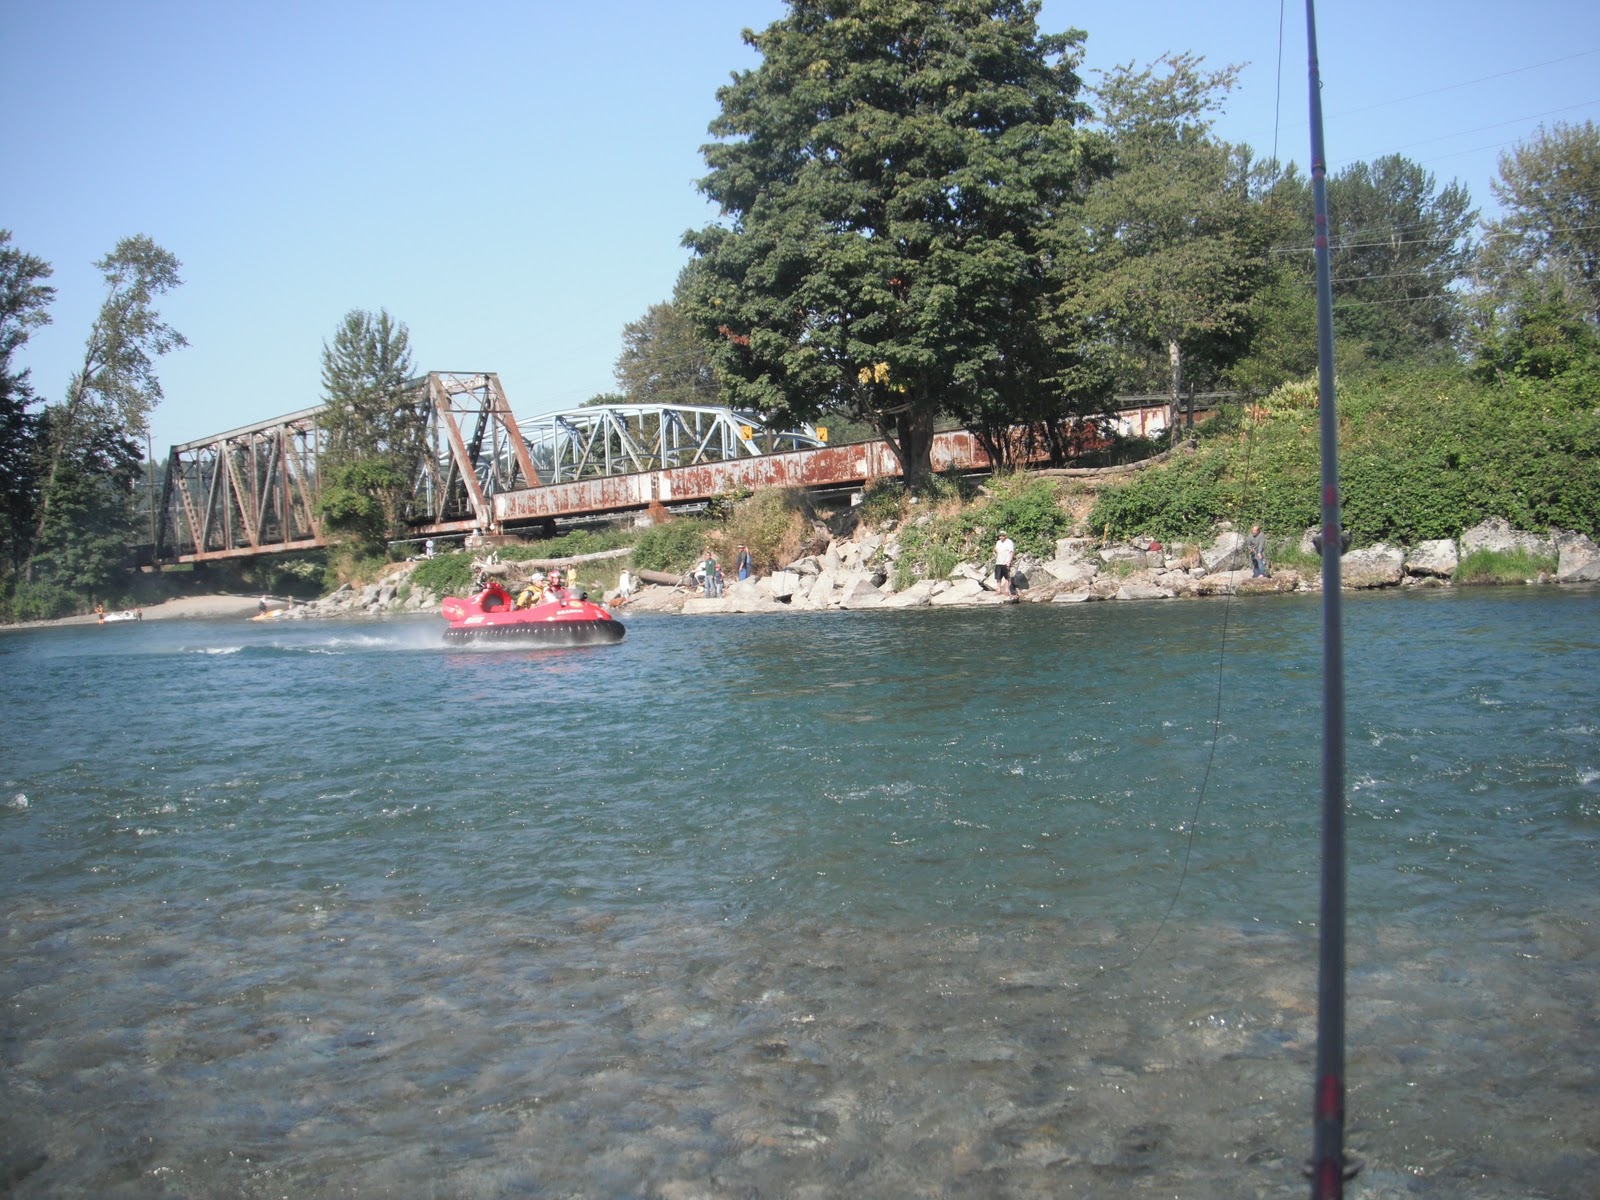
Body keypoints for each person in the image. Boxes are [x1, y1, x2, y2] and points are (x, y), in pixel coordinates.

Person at [993, 530, 1016, 596]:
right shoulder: (998, 542)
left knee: (1007, 577)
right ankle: (999, 590)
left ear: (1005, 536)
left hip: (1006, 562)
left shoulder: (1009, 542)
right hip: (998, 562)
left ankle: (1007, 590)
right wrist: (995, 553)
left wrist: (1009, 561)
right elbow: (996, 550)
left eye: (1003, 536)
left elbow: (1011, 552)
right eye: (1000, 536)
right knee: (998, 577)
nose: (1001, 537)